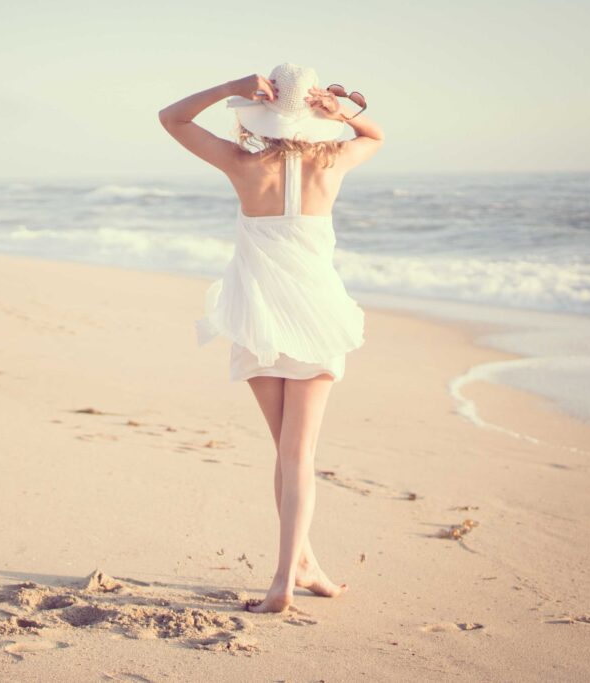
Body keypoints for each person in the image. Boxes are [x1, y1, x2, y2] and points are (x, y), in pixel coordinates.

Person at [158, 62, 384, 613]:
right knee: (297, 453)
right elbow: (375, 135)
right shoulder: (331, 163)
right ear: (310, 110)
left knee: (286, 453)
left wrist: (229, 89)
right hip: (316, 318)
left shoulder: (241, 163)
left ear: (261, 110)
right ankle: (288, 576)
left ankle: (300, 567)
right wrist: (342, 110)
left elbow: (171, 118)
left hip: (258, 319)